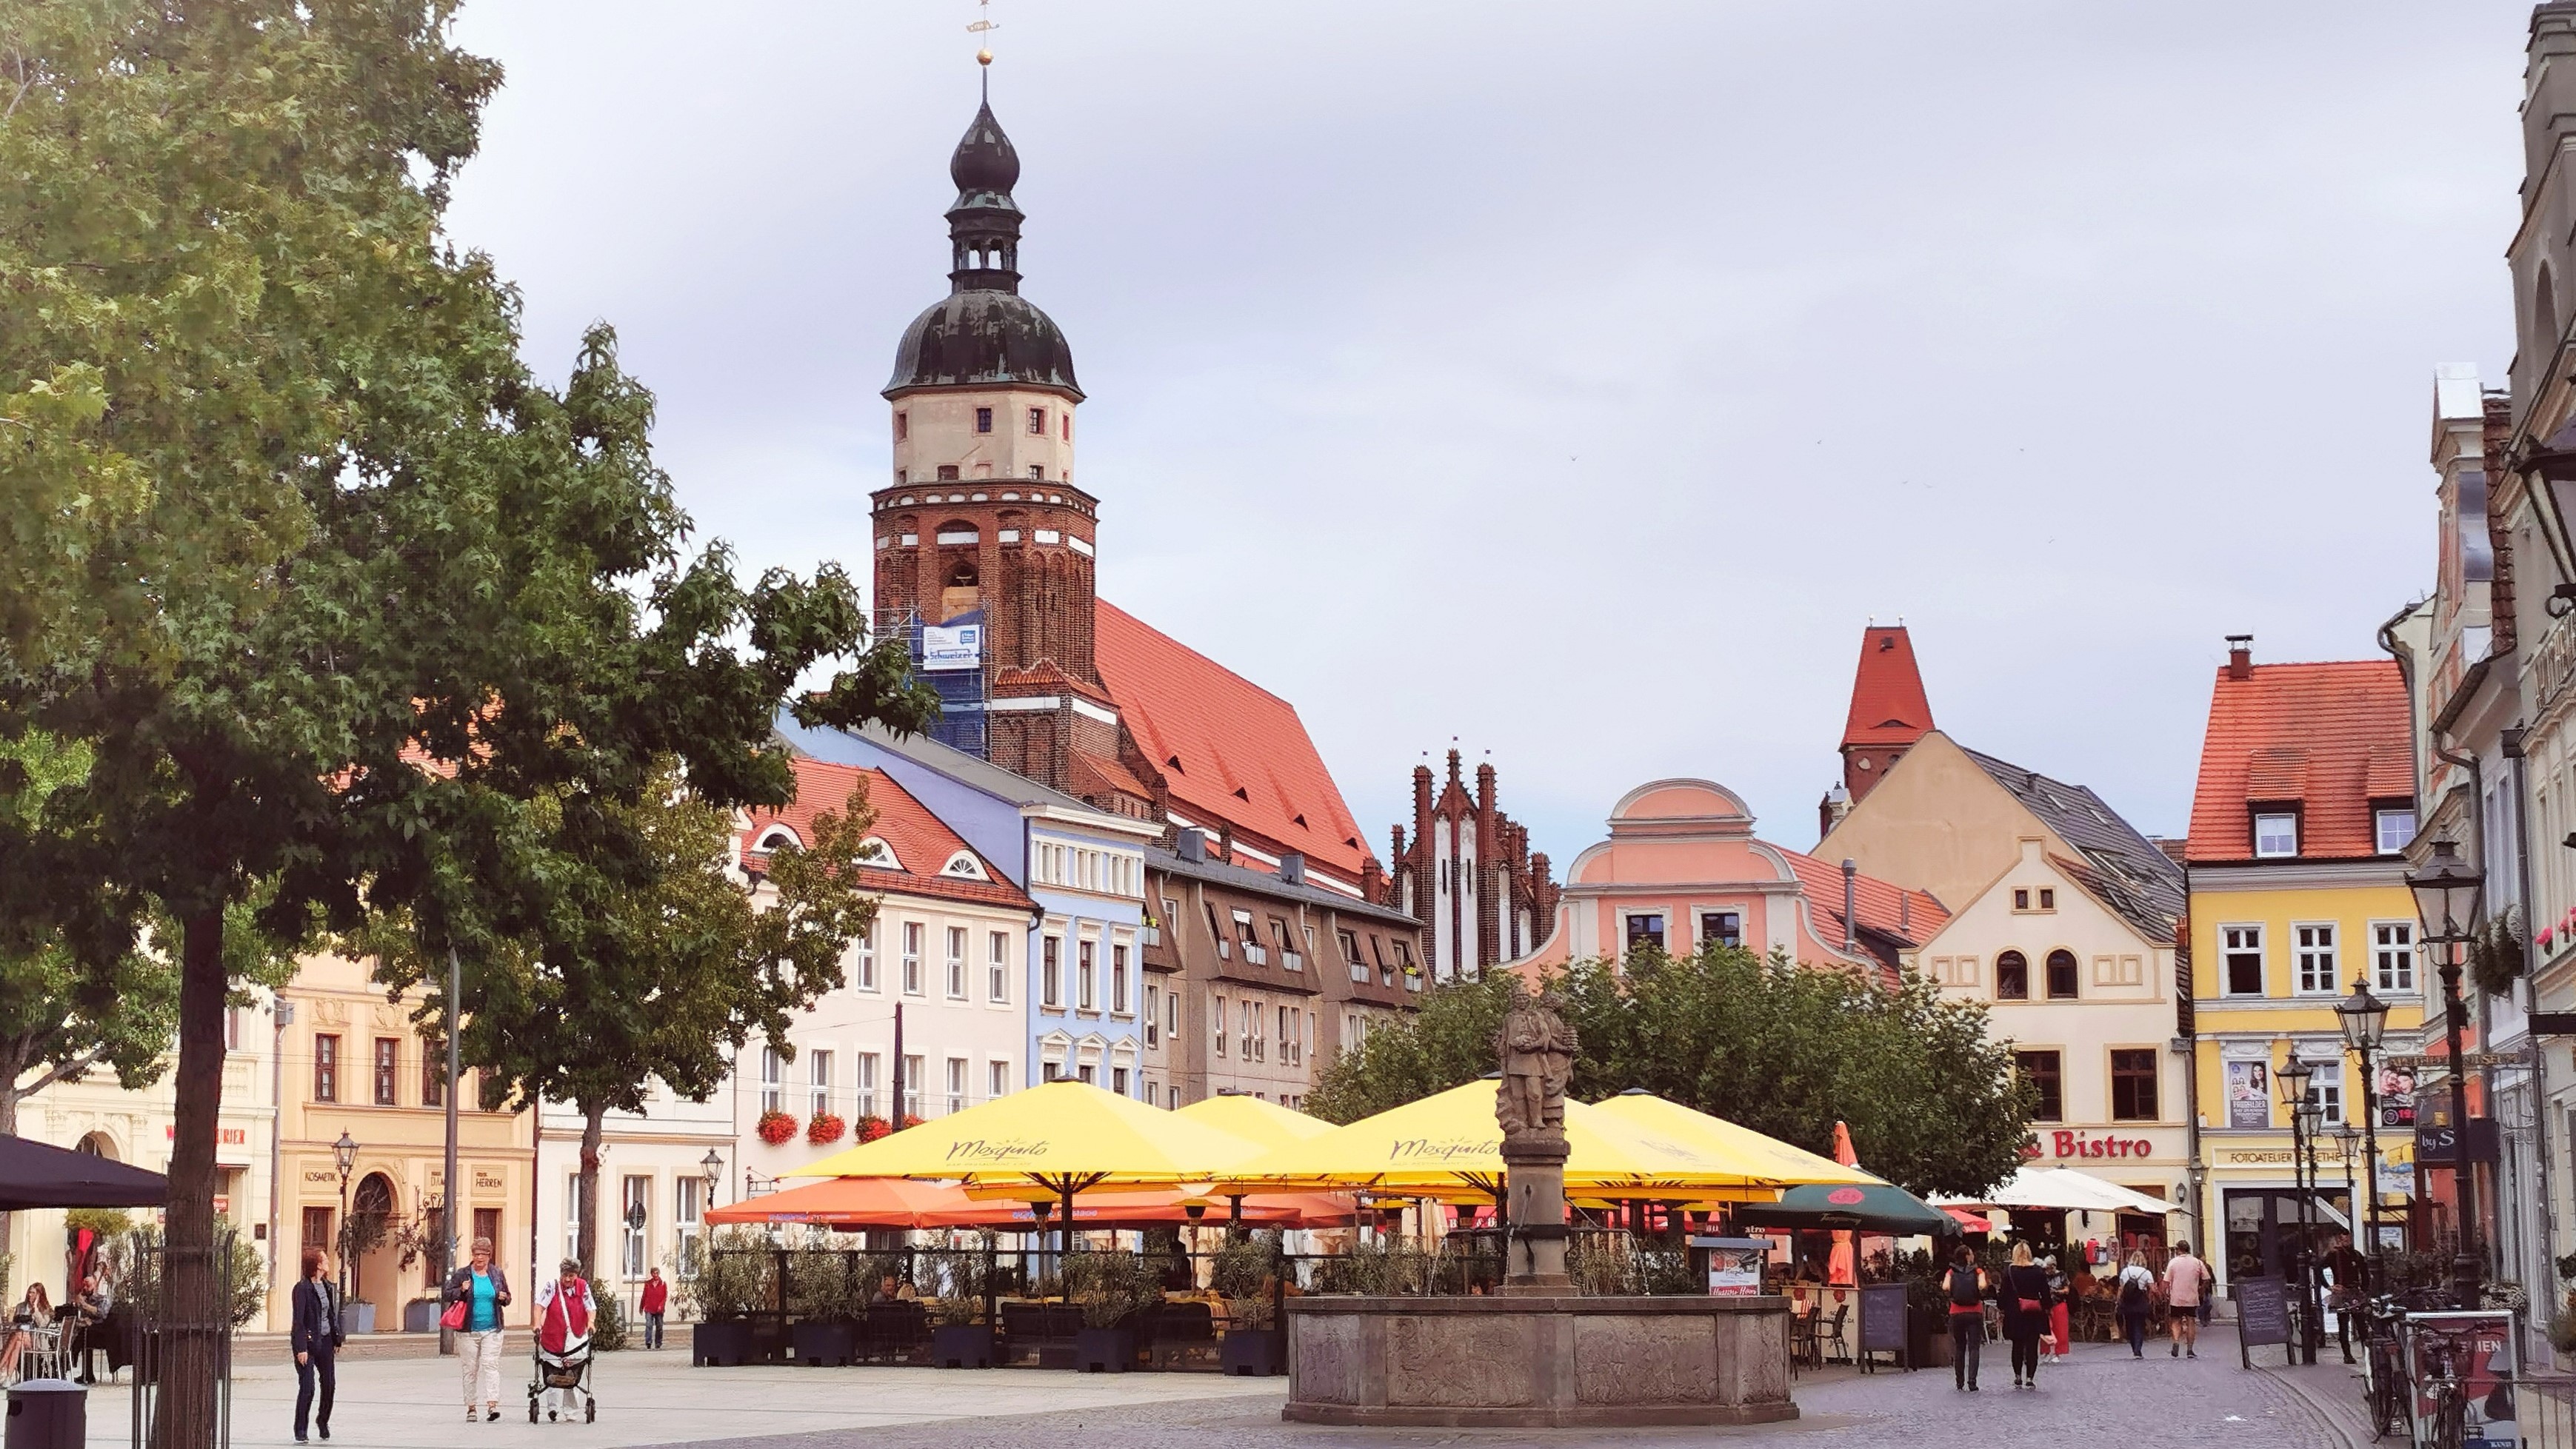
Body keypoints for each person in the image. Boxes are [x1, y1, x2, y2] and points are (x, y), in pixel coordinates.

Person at [441, 1236, 513, 1422]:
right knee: (470, 1369)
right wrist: (461, 1291)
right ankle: (471, 1407)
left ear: (489, 1255)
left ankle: (492, 1405)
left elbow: (507, 1297)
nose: (479, 1258)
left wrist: (504, 1297)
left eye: (483, 1254)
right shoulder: (463, 1274)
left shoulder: (496, 1274)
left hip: (492, 1329)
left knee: (491, 1365)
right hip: (467, 1331)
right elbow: (447, 1294)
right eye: (476, 1254)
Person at [290, 1248, 344, 1444]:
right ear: (317, 1265)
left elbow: (331, 1314)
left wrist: (337, 1339)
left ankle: (323, 1421)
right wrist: (301, 1347)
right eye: (325, 1260)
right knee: (308, 1387)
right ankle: (301, 1430)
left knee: (329, 1384)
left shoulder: (328, 1286)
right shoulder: (302, 1289)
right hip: (308, 1342)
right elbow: (299, 1321)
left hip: (326, 1341)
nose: (328, 1262)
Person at [533, 1259, 595, 1423]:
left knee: (572, 1375)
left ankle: (571, 1411)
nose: (567, 1279)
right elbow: (539, 1305)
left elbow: (591, 1307)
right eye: (565, 1275)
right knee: (552, 1372)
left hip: (575, 1339)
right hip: (553, 1338)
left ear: (577, 1275)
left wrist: (591, 1322)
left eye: (571, 1275)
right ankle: (553, 1409)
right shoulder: (552, 1287)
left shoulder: (583, 1287)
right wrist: (537, 1323)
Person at [2000, 1242, 2052, 1389]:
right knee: (2032, 1345)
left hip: (2015, 1312)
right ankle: (2030, 1377)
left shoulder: (2009, 1271)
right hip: (2034, 1312)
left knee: (2017, 1345)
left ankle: (2018, 1376)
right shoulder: (2038, 1271)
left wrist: (2002, 1307)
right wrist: (2047, 1307)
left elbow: (2003, 1293)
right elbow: (2045, 1293)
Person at [1939, 1244, 1988, 1391]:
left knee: (1959, 1347)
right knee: (1974, 1348)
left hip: (1957, 1312)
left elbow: (1945, 1288)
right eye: (1971, 1253)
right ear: (1967, 1256)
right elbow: (1982, 1286)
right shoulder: (1978, 1271)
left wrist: (1953, 1295)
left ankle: (1959, 1382)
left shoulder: (1951, 1272)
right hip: (1974, 1312)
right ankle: (1972, 1382)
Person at [2164, 1239, 2212, 1359]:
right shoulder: (2197, 1262)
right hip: (2191, 1297)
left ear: (2178, 1249)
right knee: (2191, 1322)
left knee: (2176, 1321)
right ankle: (2190, 1349)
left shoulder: (2173, 1262)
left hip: (2176, 1297)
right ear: (2188, 1249)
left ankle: (2176, 1341)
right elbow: (2207, 1278)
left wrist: (2166, 1293)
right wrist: (2201, 1289)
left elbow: (2166, 1281)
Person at [2323, 1232, 2366, 1365]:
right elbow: (2319, 1268)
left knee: (2361, 1324)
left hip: (2354, 1293)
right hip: (2341, 1293)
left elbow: (2365, 1272)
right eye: (2344, 1239)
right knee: (2343, 1324)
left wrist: (2364, 1290)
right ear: (2339, 1240)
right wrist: (2329, 1287)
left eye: (2349, 1239)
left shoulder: (2356, 1255)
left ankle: (2367, 1353)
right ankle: (2347, 1355)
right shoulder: (2333, 1255)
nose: (2347, 1241)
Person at [0, 1283, 53, 1379]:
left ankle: (2, 1368)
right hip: (20, 1337)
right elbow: (14, 1325)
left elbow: (42, 1325)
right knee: (18, 1340)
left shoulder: (45, 1309)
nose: (30, 1295)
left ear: (39, 1295)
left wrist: (36, 1310)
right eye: (29, 1292)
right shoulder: (21, 1307)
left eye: (33, 1293)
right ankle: (7, 1377)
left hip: (36, 1341)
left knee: (19, 1336)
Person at [2115, 1251, 2156, 1358]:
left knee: (2130, 1325)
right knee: (2139, 1325)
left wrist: (2118, 1300)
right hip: (2140, 1300)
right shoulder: (2146, 1272)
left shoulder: (2125, 1271)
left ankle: (2134, 1347)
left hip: (2127, 1301)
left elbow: (2121, 1287)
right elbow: (2153, 1289)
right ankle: (2138, 1349)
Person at [2043, 1255, 2071, 1365]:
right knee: (2045, 1328)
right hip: (2046, 1305)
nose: (2048, 1269)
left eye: (2050, 1267)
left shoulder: (2062, 1275)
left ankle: (2058, 1353)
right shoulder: (2043, 1276)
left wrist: (2056, 1291)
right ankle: (2046, 1351)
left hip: (2059, 1303)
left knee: (2060, 1329)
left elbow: (2067, 1290)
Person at [639, 1268, 668, 1351]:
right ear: (651, 1274)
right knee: (649, 1325)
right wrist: (641, 1307)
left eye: (657, 1273)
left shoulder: (663, 1283)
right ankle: (648, 1342)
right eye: (654, 1273)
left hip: (659, 1309)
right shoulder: (648, 1284)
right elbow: (644, 1295)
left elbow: (665, 1296)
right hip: (649, 1308)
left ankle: (658, 1343)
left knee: (659, 1326)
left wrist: (661, 1306)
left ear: (659, 1273)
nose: (655, 1275)